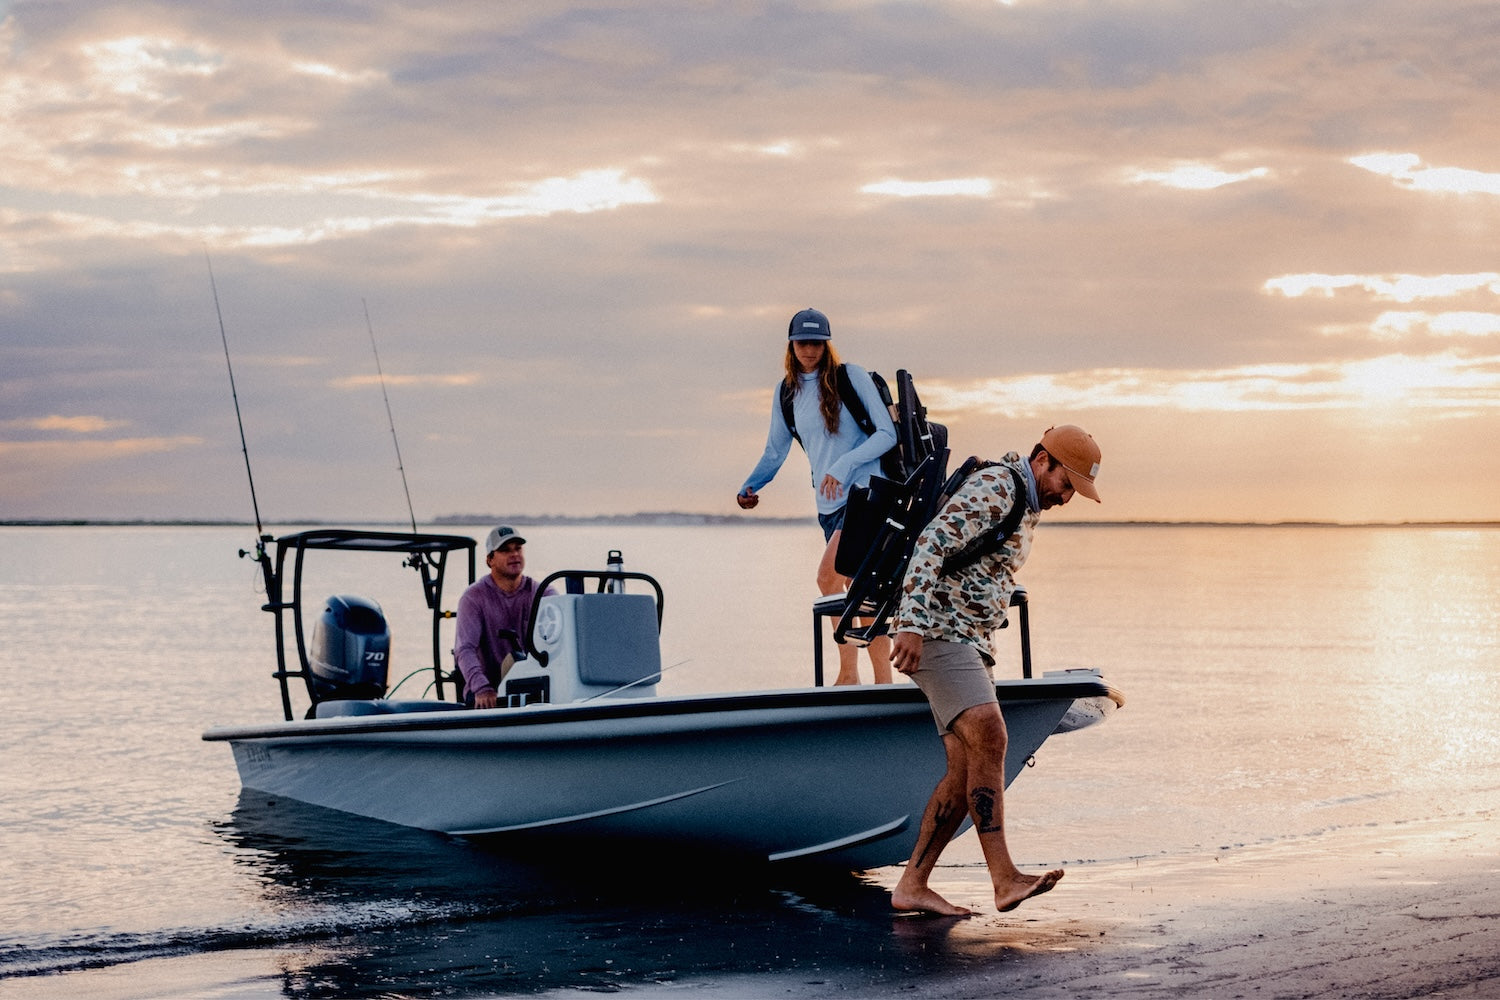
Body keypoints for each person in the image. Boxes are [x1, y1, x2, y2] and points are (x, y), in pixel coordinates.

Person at [888, 424, 1102, 916]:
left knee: (965, 768)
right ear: (1042, 459)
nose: (1067, 496)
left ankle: (912, 886)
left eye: (1075, 490)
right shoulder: (999, 487)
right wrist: (913, 625)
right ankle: (1004, 878)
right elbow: (930, 545)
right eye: (1066, 483)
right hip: (940, 630)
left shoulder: (1027, 505)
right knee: (991, 732)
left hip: (971, 640)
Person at [737, 307, 899, 685]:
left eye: (817, 342)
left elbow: (886, 435)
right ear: (791, 346)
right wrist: (751, 486)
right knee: (863, 592)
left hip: (866, 495)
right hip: (829, 507)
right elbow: (775, 452)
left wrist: (842, 466)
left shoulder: (851, 377)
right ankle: (883, 682)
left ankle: (848, 674)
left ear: (827, 344)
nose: (809, 349)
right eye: (802, 343)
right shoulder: (787, 393)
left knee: (828, 578)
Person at [454, 525, 554, 709]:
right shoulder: (473, 597)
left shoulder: (543, 593)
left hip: (533, 689)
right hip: (486, 695)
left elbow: (562, 636)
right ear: (490, 559)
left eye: (518, 548)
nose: (514, 554)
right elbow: (464, 649)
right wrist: (482, 688)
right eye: (505, 550)